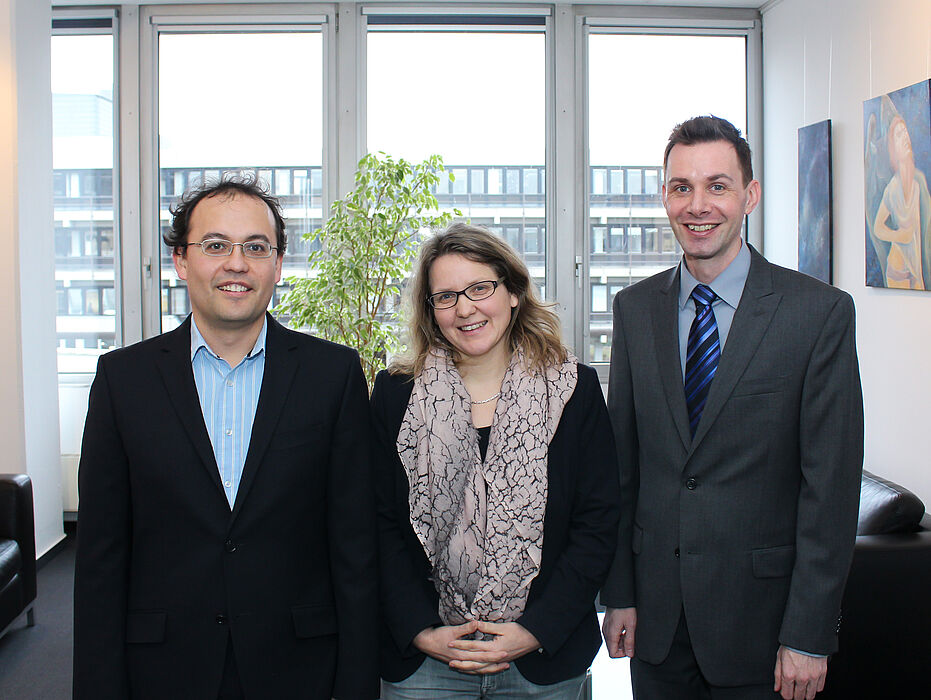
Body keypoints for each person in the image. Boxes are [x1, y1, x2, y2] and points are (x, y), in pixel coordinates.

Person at [73, 176, 378, 699]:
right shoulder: (123, 380)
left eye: (256, 248)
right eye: (215, 246)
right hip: (164, 669)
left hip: (298, 666)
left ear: (277, 265)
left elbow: (355, 547)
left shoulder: (333, 374)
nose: (237, 263)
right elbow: (100, 558)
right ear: (181, 261)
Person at [600, 116, 863, 700]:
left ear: (750, 195)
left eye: (717, 186)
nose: (698, 205)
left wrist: (809, 633)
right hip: (657, 626)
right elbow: (622, 468)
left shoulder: (817, 314)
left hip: (764, 631)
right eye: (682, 187)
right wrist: (619, 593)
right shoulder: (634, 309)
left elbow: (831, 490)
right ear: (664, 196)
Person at [372, 223, 620, 698]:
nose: (465, 308)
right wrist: (422, 631)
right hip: (426, 662)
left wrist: (535, 630)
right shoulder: (395, 395)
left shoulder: (574, 391)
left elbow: (597, 524)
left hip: (542, 658)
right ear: (431, 311)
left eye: (480, 288)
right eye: (446, 297)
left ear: (513, 293)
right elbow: (377, 524)